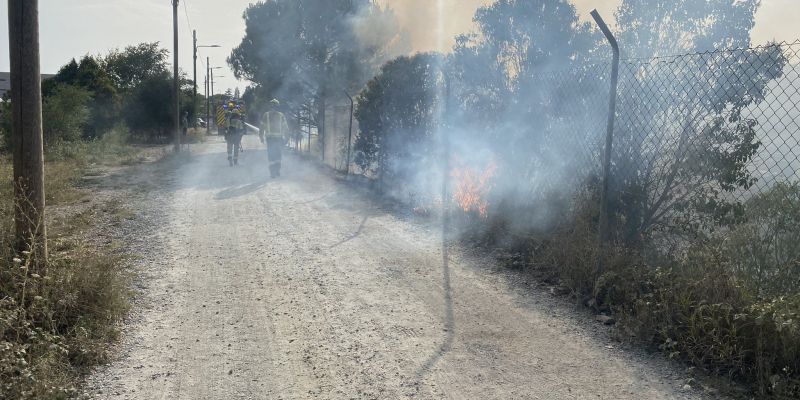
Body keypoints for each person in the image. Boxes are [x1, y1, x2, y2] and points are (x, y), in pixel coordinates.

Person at [260, 99, 290, 178]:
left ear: (270, 106)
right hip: (279, 139)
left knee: (271, 155)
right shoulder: (281, 115)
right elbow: (286, 128)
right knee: (278, 155)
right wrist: (287, 138)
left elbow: (261, 127)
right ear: (278, 106)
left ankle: (272, 173)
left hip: (270, 139)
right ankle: (277, 171)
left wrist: (261, 137)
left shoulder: (266, 115)